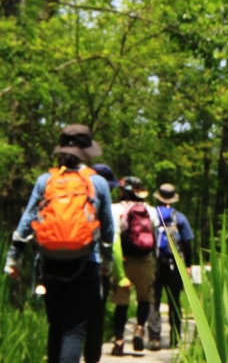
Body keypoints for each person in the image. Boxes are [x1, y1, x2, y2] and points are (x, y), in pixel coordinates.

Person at [3, 124, 114, 363]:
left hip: (49, 263)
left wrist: (13, 258)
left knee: (56, 326)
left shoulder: (46, 180)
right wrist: (107, 262)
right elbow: (108, 230)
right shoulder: (98, 183)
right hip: (86, 263)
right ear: (88, 151)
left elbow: (26, 223)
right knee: (74, 330)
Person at [109, 176, 159, 356]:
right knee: (145, 299)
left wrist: (119, 272)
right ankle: (139, 328)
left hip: (124, 260)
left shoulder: (115, 209)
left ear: (123, 191)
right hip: (145, 261)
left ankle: (119, 339)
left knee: (121, 303)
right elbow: (154, 238)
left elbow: (114, 240)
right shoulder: (151, 211)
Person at [147, 183, 194, 350]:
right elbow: (187, 242)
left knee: (154, 301)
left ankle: (154, 338)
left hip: (153, 265)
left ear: (158, 197)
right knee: (174, 301)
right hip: (174, 266)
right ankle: (176, 338)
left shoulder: (150, 215)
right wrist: (188, 264)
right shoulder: (179, 218)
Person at [83, 164, 120, 363]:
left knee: (66, 325)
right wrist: (107, 265)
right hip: (93, 263)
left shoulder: (65, 185)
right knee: (96, 319)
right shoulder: (105, 196)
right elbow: (108, 236)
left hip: (58, 260)